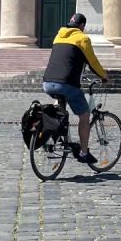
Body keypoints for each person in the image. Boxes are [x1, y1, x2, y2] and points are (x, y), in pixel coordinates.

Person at [43, 14, 108, 163]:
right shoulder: (82, 39)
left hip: (47, 82)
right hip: (66, 83)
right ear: (82, 26)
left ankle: (56, 136)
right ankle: (84, 153)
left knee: (59, 108)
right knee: (84, 116)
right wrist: (104, 76)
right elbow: (92, 62)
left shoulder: (58, 37)